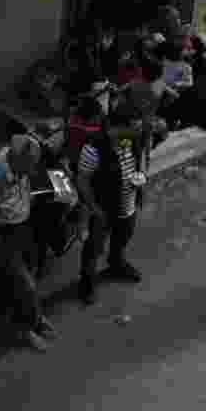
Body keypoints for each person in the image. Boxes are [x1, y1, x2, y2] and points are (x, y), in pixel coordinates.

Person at [0, 135, 57, 351]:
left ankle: (35, 318)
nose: (31, 171)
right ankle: (26, 328)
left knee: (32, 275)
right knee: (24, 284)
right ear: (15, 159)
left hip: (22, 227)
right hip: (4, 234)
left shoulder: (21, 163)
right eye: (29, 167)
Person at [76, 108, 145, 305]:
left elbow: (139, 159)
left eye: (138, 129)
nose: (136, 133)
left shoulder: (131, 139)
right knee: (94, 248)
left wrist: (142, 177)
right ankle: (87, 283)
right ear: (114, 128)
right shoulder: (93, 148)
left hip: (128, 204)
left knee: (123, 236)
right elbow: (82, 180)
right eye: (132, 129)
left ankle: (116, 264)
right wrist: (94, 208)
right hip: (103, 209)